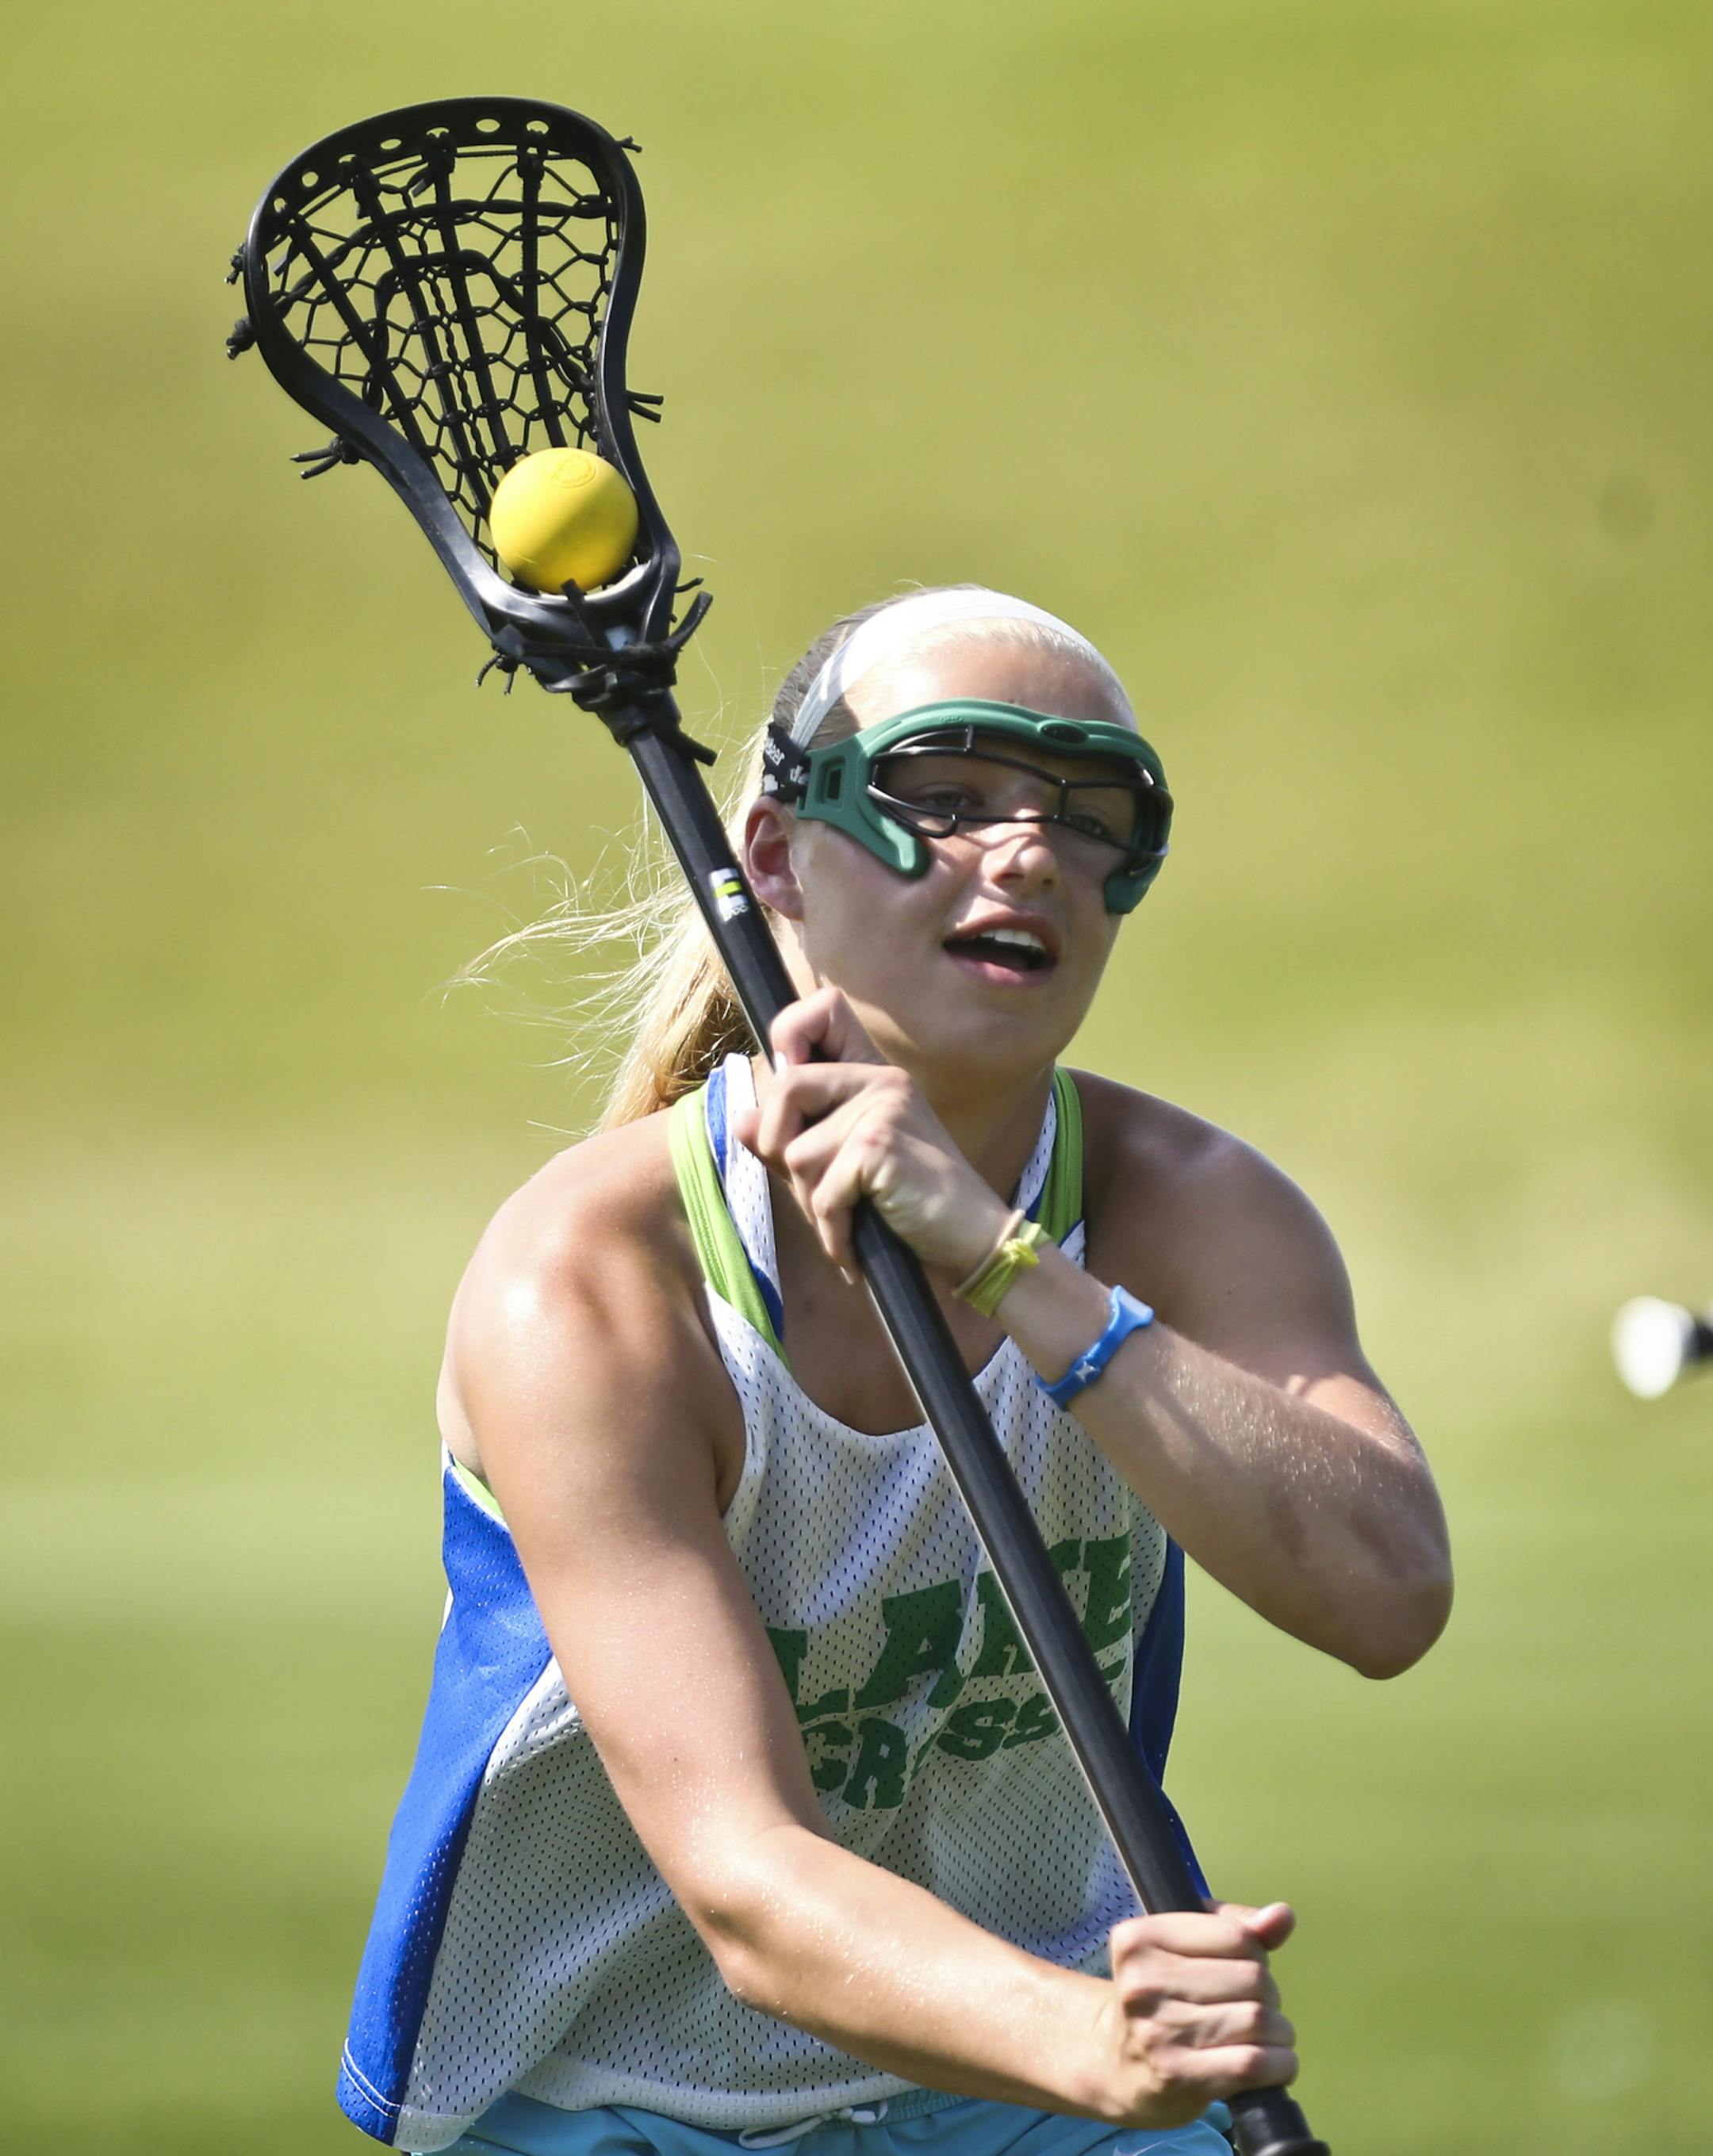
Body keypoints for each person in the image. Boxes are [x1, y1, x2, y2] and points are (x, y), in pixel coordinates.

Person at [336, 588, 1453, 2156]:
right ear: (777, 856)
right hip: (632, 2097)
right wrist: (1098, 2043)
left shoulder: (1187, 1210)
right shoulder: (591, 1280)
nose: (1030, 851)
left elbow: (1385, 1591)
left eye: (1092, 811)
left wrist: (1014, 1269)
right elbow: (745, 1884)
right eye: (947, 795)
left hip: (1038, 2080)